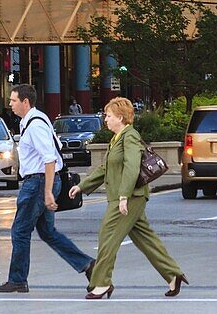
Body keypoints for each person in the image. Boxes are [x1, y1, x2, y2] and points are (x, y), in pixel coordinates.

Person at [69, 96, 187, 300]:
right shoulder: (117, 139)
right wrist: (81, 186)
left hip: (128, 197)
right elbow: (106, 168)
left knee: (108, 237)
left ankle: (102, 283)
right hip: (124, 196)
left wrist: (124, 196)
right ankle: (172, 274)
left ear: (121, 118)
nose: (105, 119)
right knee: (145, 239)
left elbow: (132, 167)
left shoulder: (130, 137)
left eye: (108, 115)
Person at [0, 84, 94, 294]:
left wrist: (48, 192)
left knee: (20, 231)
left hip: (38, 183)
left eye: (13, 100)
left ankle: (18, 279)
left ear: (25, 102)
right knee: (47, 232)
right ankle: (87, 265)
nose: (10, 104)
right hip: (43, 181)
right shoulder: (36, 120)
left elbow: (49, 159)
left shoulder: (35, 125)